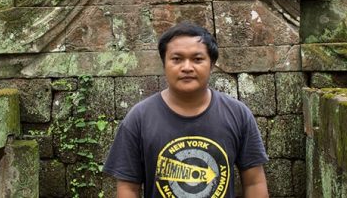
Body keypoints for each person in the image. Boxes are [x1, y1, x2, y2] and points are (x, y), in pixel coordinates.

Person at [103, 22, 269, 198]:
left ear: (211, 65)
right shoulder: (139, 118)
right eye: (177, 59)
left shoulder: (237, 114)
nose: (187, 67)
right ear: (164, 64)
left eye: (197, 59)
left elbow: (254, 182)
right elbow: (128, 188)